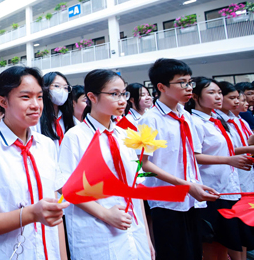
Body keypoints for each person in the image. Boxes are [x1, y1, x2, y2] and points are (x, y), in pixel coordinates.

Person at [0, 66, 69, 260]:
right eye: (26, 97)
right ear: (2, 101)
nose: (36, 105)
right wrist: (30, 214)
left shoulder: (46, 145)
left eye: (39, 97)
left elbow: (55, 214)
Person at [58, 69, 153, 259]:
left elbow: (134, 186)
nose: (122, 100)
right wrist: (105, 214)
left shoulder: (124, 135)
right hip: (96, 232)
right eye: (114, 94)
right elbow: (66, 188)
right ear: (92, 97)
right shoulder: (76, 137)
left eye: (124, 93)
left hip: (133, 230)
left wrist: (146, 237)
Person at [140, 58, 218, 260]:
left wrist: (193, 185)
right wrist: (184, 185)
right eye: (182, 82)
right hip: (166, 201)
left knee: (193, 252)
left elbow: (191, 157)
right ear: (161, 87)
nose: (188, 87)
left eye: (190, 82)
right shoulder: (150, 119)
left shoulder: (185, 116)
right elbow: (144, 163)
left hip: (190, 199)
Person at [185, 77, 252, 260]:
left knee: (226, 244)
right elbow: (194, 157)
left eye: (219, 93)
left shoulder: (216, 120)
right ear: (195, 97)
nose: (218, 97)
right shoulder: (194, 122)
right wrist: (228, 160)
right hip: (211, 190)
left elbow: (226, 149)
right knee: (212, 248)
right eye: (211, 93)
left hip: (228, 189)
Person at [36, 72, 75, 151]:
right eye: (57, 86)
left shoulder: (69, 118)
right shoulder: (37, 119)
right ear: (45, 88)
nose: (62, 91)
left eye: (66, 88)